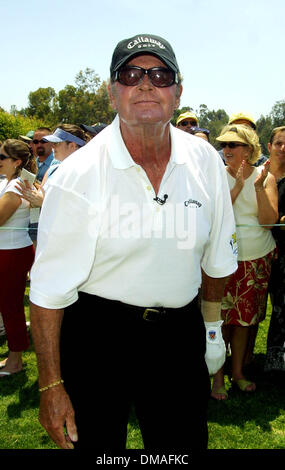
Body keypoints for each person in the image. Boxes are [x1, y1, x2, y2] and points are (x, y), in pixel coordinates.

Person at [29, 33, 237, 451]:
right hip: (98, 335)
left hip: (179, 334)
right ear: (112, 92)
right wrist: (51, 384)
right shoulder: (77, 176)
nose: (146, 84)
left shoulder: (204, 160)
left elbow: (216, 258)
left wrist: (212, 328)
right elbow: (48, 293)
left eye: (160, 75)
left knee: (181, 445)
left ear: (177, 93)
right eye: (131, 74)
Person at [210, 124, 278, 400]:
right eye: (224, 144)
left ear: (249, 149)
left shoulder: (266, 177)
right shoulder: (215, 177)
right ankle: (217, 378)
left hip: (256, 258)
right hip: (221, 258)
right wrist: (237, 187)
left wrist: (258, 189)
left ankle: (237, 373)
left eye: (233, 145)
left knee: (243, 322)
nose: (226, 149)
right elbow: (216, 218)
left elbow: (268, 222)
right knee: (218, 320)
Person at [0, 139, 36, 375]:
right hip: (10, 250)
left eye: (2, 157)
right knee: (8, 306)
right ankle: (15, 353)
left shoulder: (16, 187)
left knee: (10, 307)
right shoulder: (15, 182)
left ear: (17, 162)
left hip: (11, 252)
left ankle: (15, 361)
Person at [17, 124, 87, 208]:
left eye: (57, 143)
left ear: (72, 146)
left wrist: (44, 202)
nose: (53, 146)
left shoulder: (84, 173)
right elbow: (41, 194)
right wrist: (32, 196)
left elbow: (80, 209)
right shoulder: (53, 168)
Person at [264, 126, 285, 381]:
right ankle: (242, 356)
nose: (282, 148)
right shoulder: (258, 175)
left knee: (281, 307)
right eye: (278, 143)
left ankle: (275, 358)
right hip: (256, 250)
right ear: (269, 146)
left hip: (284, 254)